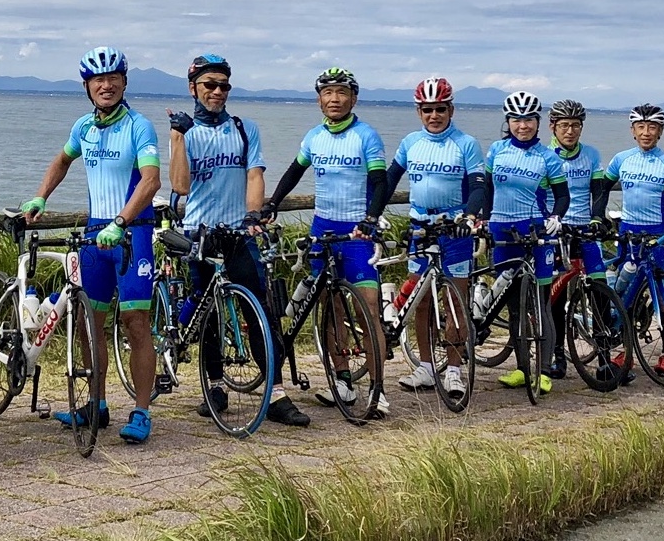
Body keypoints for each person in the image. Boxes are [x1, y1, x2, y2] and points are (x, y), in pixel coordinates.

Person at [22, 46, 161, 444]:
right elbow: (62, 161)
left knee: (136, 323)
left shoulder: (139, 126)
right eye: (98, 79)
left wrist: (121, 222)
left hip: (132, 234)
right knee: (88, 322)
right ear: (87, 86)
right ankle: (96, 405)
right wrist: (40, 197)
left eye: (113, 78)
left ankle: (141, 411)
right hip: (94, 234)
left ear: (124, 82)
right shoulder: (84, 127)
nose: (106, 85)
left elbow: (151, 181)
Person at [163, 55, 307, 427]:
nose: (217, 91)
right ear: (193, 87)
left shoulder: (244, 128)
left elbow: (254, 175)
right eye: (209, 85)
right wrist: (178, 137)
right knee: (209, 312)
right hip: (200, 233)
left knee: (259, 311)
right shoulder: (185, 131)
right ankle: (214, 387)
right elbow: (180, 185)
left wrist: (253, 215)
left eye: (224, 85)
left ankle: (276, 394)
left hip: (238, 233)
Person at [262, 67, 391, 417]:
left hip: (357, 233)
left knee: (368, 311)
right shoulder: (314, 137)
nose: (334, 99)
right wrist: (273, 204)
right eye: (328, 93)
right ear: (319, 99)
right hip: (322, 229)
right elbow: (294, 171)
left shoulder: (366, 136)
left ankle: (378, 390)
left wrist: (371, 218)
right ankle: (343, 381)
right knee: (331, 308)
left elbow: (380, 181)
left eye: (341, 92)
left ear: (354, 98)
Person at [389, 77, 485, 398]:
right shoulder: (410, 142)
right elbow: (389, 180)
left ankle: (454, 370)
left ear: (451, 110)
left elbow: (479, 186)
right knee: (422, 301)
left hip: (454, 229)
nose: (434, 115)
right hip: (420, 227)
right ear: (419, 112)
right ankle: (427, 367)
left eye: (440, 109)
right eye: (428, 109)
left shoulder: (466, 143)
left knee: (455, 301)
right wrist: (370, 214)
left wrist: (469, 216)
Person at [594, 104, 664, 376]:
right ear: (633, 131)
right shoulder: (621, 159)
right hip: (628, 234)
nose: (646, 132)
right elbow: (602, 190)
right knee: (628, 294)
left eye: (652, 127)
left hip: (658, 235)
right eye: (641, 127)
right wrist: (598, 217)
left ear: (660, 131)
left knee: (661, 294)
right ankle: (626, 351)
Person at [484, 92, 569, 393]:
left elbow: (562, 195)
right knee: (514, 305)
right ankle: (522, 368)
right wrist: (483, 219)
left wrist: (556, 216)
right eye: (517, 120)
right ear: (508, 122)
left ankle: (543, 370)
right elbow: (487, 190)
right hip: (502, 232)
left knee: (541, 302)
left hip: (536, 232)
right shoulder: (497, 150)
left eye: (529, 119)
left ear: (538, 122)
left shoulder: (548, 157)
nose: (523, 126)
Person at [547, 100, 609, 283]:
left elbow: (598, 191)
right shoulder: (545, 155)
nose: (570, 131)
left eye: (575, 125)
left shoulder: (591, 154)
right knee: (557, 286)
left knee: (599, 282)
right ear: (552, 127)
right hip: (555, 229)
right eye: (564, 125)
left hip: (584, 228)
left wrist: (597, 218)